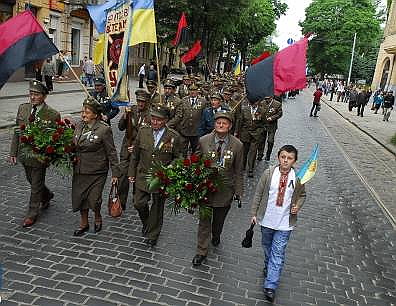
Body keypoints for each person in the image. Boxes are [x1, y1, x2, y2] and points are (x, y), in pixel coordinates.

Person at [250, 145, 306, 302]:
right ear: (278, 157)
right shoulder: (269, 174)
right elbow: (259, 194)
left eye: (289, 158)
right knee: (267, 247)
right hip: (267, 220)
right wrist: (254, 213)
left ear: (294, 161)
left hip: (285, 223)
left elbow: (302, 195)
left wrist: (297, 206)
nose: (285, 161)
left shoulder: (298, 177)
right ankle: (268, 265)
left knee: (278, 252)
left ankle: (270, 286)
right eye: (283, 157)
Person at [192, 112, 244, 266]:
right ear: (214, 124)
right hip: (205, 188)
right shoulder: (203, 140)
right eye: (218, 123)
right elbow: (195, 161)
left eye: (224, 123)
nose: (221, 125)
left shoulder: (237, 145)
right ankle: (201, 251)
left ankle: (217, 234)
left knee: (218, 221)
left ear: (230, 126)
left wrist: (238, 191)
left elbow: (238, 170)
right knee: (204, 221)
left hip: (225, 190)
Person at [128, 105, 183, 246]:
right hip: (143, 174)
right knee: (138, 203)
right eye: (153, 119)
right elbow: (135, 155)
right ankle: (147, 223)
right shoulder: (143, 131)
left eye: (158, 120)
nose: (155, 122)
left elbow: (179, 157)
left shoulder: (173, 136)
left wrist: (171, 167)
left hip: (161, 178)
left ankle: (153, 234)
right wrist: (131, 173)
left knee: (157, 207)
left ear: (165, 120)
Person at [9, 80, 60, 227]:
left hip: (39, 157)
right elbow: (17, 132)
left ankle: (32, 214)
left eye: (36, 94)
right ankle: (47, 195)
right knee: (31, 180)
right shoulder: (23, 109)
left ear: (44, 96)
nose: (32, 97)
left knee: (36, 185)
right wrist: (13, 152)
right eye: (31, 94)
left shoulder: (52, 114)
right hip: (24, 154)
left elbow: (55, 139)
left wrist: (49, 155)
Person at [72, 97, 120, 236]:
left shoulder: (104, 129)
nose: (83, 114)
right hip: (80, 169)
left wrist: (115, 174)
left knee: (94, 198)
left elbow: (111, 152)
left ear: (95, 114)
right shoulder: (79, 125)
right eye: (83, 111)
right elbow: (73, 144)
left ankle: (97, 216)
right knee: (80, 197)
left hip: (97, 171)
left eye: (87, 112)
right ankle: (84, 222)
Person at [118, 91, 151, 210]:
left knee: (137, 174)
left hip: (141, 150)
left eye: (143, 101)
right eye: (138, 101)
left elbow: (150, 136)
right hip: (127, 147)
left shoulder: (151, 115)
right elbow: (120, 127)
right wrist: (125, 116)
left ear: (147, 102)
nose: (140, 103)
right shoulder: (131, 110)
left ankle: (137, 196)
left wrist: (137, 146)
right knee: (122, 175)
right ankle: (121, 202)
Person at [168, 84, 206, 155]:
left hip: (196, 131)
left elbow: (204, 116)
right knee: (182, 151)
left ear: (197, 91)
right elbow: (179, 115)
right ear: (188, 91)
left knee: (196, 152)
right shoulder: (183, 100)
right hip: (184, 130)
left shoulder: (203, 101)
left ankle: (194, 165)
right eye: (191, 90)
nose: (192, 92)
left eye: (194, 90)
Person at [236, 99, 265, 177]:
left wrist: (259, 132)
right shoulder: (244, 109)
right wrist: (237, 132)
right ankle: (243, 166)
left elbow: (264, 124)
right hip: (245, 134)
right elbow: (240, 122)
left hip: (255, 135)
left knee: (253, 151)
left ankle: (250, 169)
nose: (254, 103)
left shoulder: (262, 111)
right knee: (244, 151)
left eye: (256, 101)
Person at [257, 96, 283, 162]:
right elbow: (259, 111)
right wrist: (259, 116)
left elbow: (280, 114)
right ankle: (260, 155)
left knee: (270, 141)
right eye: (265, 99)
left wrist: (272, 118)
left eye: (268, 99)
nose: (266, 100)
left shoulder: (277, 104)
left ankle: (268, 155)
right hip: (263, 125)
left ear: (271, 98)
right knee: (261, 140)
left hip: (272, 126)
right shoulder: (262, 103)